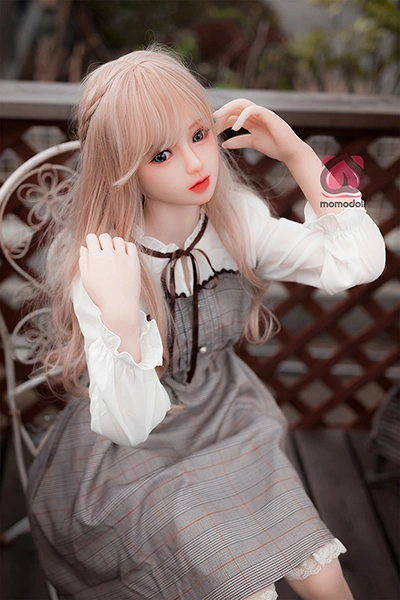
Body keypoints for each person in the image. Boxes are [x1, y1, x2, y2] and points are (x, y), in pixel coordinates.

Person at [27, 46, 385, 600]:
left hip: (228, 413)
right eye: (162, 154)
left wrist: (299, 154)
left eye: (199, 135)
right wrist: (120, 315)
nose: (197, 164)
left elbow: (360, 261)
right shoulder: (108, 261)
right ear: (124, 169)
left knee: (325, 575)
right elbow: (128, 425)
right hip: (134, 451)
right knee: (243, 588)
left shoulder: (236, 220)